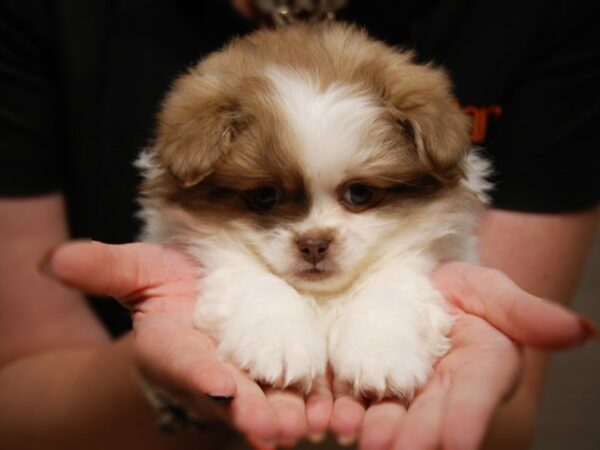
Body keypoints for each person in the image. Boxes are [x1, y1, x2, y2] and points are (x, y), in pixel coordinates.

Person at [0, 1, 598, 449]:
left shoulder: (545, 19)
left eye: (359, 194)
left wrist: (396, 313)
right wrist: (170, 384)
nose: (315, 234)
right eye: (264, 198)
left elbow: (508, 422)